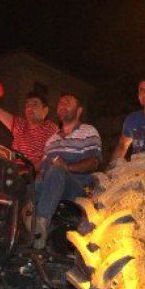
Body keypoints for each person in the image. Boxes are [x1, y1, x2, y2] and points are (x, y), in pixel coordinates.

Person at [34, 93, 101, 247]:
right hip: (51, 184)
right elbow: (42, 168)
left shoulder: (88, 132)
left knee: (57, 171)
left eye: (68, 102)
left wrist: (67, 167)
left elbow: (93, 162)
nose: (63, 105)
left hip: (76, 186)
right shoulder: (52, 140)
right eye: (60, 103)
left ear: (79, 110)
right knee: (23, 185)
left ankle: (40, 224)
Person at [0, 85, 58, 170]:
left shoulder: (50, 128)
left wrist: (29, 170)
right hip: (13, 171)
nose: (29, 107)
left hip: (34, 175)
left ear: (45, 110)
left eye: (35, 104)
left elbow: (51, 156)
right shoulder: (19, 125)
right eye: (27, 104)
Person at [110, 77, 145, 165]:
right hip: (138, 168)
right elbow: (122, 146)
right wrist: (112, 167)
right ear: (138, 96)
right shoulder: (132, 119)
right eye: (141, 90)